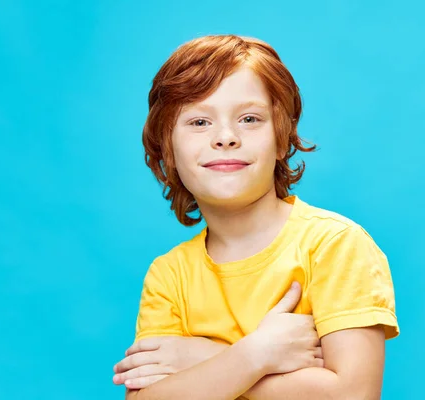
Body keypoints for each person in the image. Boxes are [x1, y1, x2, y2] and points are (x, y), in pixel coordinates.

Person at [112, 34, 399, 400]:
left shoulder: (335, 245)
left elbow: (353, 395)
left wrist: (202, 359)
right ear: (167, 149)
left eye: (249, 119)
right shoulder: (169, 275)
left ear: (282, 139)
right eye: (199, 122)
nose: (226, 137)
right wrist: (257, 354)